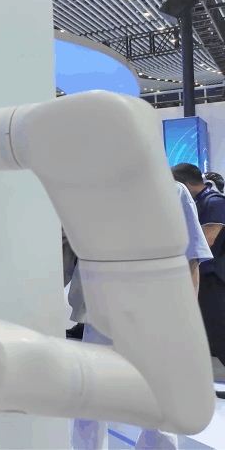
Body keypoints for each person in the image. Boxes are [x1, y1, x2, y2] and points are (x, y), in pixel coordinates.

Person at [70, 179, 212, 450]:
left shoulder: (173, 191)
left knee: (163, 394)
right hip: (103, 306)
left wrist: (189, 316)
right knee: (93, 393)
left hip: (157, 309)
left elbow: (191, 256)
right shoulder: (89, 191)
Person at [172, 163, 225, 364]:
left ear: (184, 184)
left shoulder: (215, 202)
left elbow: (207, 240)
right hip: (205, 275)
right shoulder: (201, 202)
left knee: (219, 331)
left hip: (215, 278)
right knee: (210, 333)